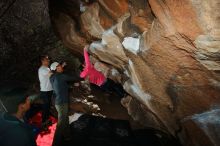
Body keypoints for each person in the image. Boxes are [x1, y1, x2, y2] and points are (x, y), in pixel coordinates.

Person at [50, 61, 80, 146]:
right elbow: (73, 77)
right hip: (62, 102)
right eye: (59, 66)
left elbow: (61, 86)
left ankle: (67, 136)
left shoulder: (52, 77)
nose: (61, 67)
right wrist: (83, 75)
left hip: (56, 101)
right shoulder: (60, 76)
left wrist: (71, 86)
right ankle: (55, 142)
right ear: (57, 68)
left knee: (65, 119)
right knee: (61, 123)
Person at [38, 55, 53, 126]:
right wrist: (58, 68)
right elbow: (51, 75)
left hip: (49, 90)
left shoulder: (47, 68)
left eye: (48, 60)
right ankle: (43, 122)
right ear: (43, 61)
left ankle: (47, 119)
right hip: (45, 91)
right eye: (47, 60)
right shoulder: (42, 69)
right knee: (46, 106)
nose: (48, 61)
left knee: (48, 105)